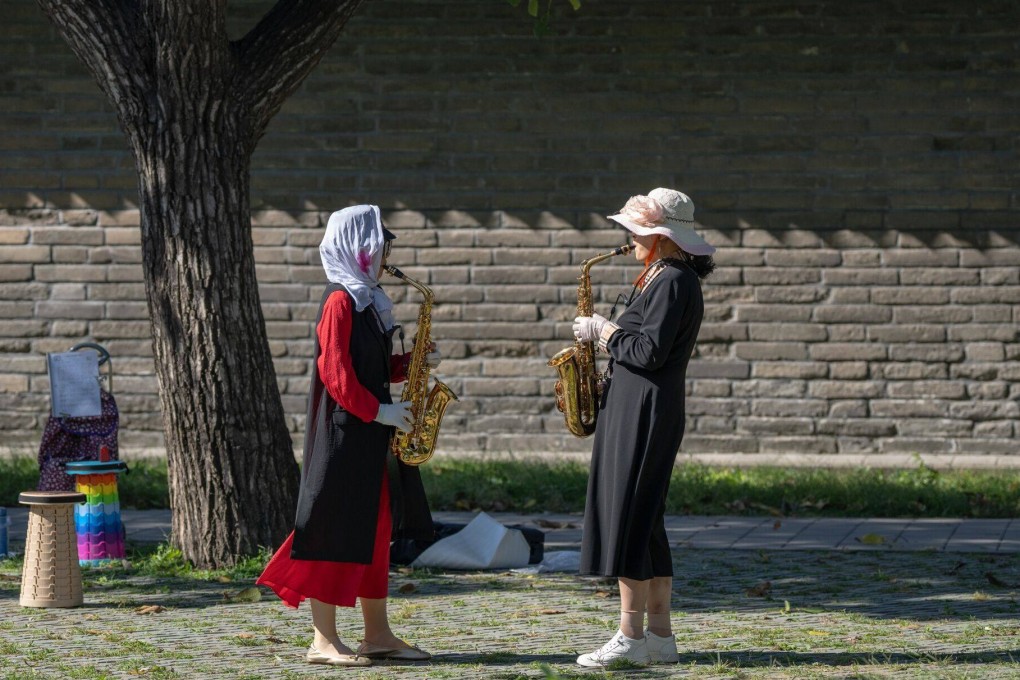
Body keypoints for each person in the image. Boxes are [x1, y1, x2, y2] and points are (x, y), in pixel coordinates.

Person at [257, 204, 441, 667]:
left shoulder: (367, 300)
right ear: (359, 248)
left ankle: (377, 634)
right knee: (331, 533)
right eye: (381, 247)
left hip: (368, 436)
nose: (386, 256)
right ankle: (323, 640)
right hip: (343, 436)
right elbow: (335, 375)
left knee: (375, 532)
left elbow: (366, 366)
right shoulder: (340, 300)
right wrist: (380, 411)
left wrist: (409, 363)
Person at [571, 187, 716, 667]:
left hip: (645, 410)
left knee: (630, 519)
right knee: (647, 522)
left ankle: (630, 637)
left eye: (637, 231)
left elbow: (647, 352)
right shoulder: (662, 275)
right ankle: (660, 638)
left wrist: (603, 330)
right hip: (637, 406)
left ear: (661, 237)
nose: (629, 238)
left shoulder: (673, 281)